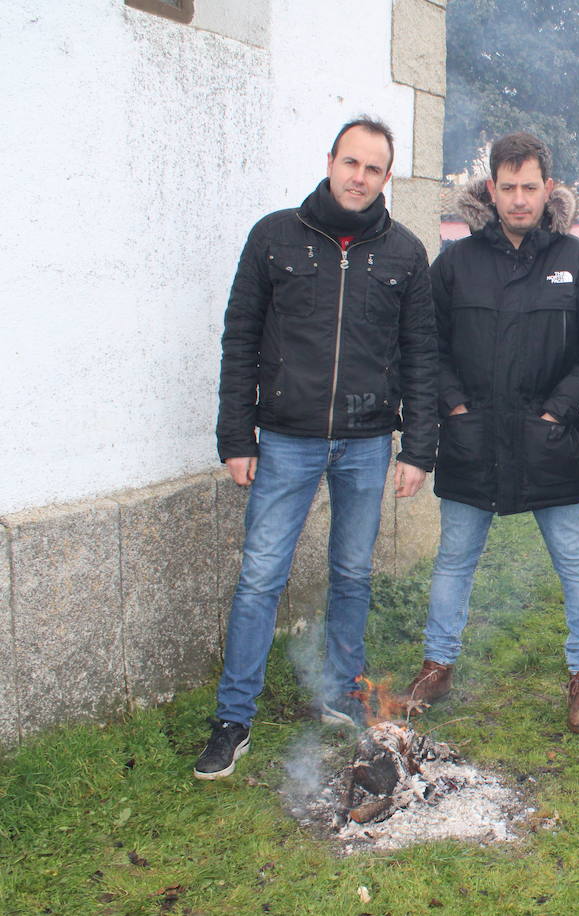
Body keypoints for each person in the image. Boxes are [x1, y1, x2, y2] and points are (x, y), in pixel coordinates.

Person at [196, 117, 439, 780]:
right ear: (330, 160)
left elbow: (422, 357)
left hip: (366, 443)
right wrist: (235, 434)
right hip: (283, 439)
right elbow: (239, 337)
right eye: (350, 162)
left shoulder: (406, 255)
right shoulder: (274, 237)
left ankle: (341, 692)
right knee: (261, 578)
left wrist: (418, 448)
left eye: (373, 168)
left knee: (353, 575)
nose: (359, 177)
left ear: (387, 177)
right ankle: (233, 718)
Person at [404, 132, 579, 735]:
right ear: (490, 188)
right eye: (508, 187)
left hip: (549, 441)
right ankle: (437, 664)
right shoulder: (457, 262)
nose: (519, 199)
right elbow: (429, 344)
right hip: (473, 440)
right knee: (454, 561)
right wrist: (456, 408)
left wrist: (561, 412)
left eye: (530, 188)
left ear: (548, 189)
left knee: (577, 563)